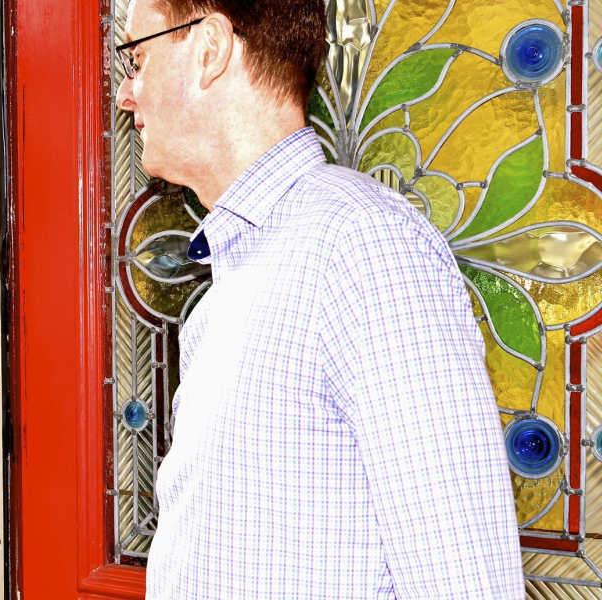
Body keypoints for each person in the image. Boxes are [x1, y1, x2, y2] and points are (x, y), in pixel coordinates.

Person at [115, 1, 524, 598]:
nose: (127, 94)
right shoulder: (230, 284)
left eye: (138, 58)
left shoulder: (365, 249)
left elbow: (466, 584)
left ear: (209, 49)